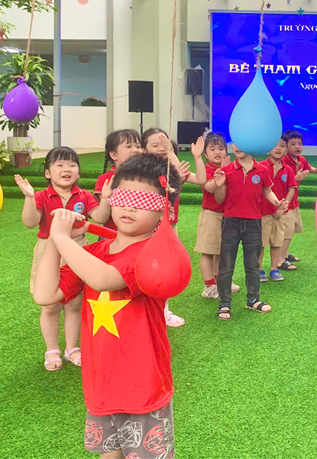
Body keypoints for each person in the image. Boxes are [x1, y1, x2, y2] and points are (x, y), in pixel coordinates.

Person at [32, 153, 182, 458]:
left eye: (143, 200)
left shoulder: (152, 256)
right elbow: (45, 295)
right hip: (101, 384)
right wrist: (55, 240)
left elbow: (102, 279)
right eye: (123, 196)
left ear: (164, 210)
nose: (129, 207)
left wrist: (63, 238)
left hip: (144, 387)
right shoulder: (96, 251)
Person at [15, 147, 111, 371]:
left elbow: (100, 217)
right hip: (49, 252)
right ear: (47, 173)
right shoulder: (41, 196)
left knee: (75, 304)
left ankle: (71, 349)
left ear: (78, 171)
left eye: (72, 165)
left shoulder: (84, 196)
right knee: (49, 305)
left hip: (78, 250)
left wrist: (106, 199)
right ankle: (52, 350)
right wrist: (29, 197)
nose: (66, 169)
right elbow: (30, 222)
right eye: (59, 165)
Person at [213, 144, 288, 320]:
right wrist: (218, 186)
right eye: (235, 143)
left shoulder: (262, 170)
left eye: (242, 142)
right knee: (226, 265)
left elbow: (267, 191)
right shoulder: (227, 170)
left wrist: (277, 203)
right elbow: (219, 199)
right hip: (230, 222)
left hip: (254, 222)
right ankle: (224, 302)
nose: (237, 147)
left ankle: (253, 299)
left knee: (253, 264)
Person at [141, 128, 206, 326]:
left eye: (165, 144)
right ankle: (145, 311)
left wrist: (196, 157)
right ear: (143, 150)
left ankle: (164, 310)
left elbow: (201, 180)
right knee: (145, 268)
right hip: (146, 228)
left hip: (169, 228)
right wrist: (172, 158)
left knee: (164, 268)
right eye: (155, 145)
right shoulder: (143, 171)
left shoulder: (172, 166)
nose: (162, 148)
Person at [193, 132, 239, 299]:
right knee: (208, 252)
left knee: (221, 252)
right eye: (212, 149)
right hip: (211, 215)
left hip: (228, 215)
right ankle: (209, 286)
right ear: (205, 154)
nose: (217, 152)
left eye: (221, 148)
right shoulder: (206, 170)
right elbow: (209, 187)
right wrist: (222, 171)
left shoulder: (231, 168)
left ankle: (220, 282)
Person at [281, 130, 317, 270]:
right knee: (287, 231)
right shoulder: (283, 161)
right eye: (293, 144)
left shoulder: (301, 160)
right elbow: (280, 182)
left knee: (292, 228)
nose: (297, 147)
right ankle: (280, 260)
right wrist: (296, 178)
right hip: (284, 202)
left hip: (294, 202)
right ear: (285, 146)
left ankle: (284, 253)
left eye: (300, 143)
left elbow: (308, 167)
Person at [259, 135, 299, 283]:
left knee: (277, 243)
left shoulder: (287, 169)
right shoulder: (260, 166)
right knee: (261, 244)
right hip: (263, 212)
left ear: (286, 149)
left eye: (282, 146)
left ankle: (274, 268)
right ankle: (259, 269)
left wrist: (283, 208)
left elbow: (292, 189)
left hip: (280, 214)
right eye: (275, 145)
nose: (278, 148)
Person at [94, 129, 141, 232]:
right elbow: (105, 214)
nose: (135, 150)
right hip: (112, 234)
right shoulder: (105, 180)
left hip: (140, 233)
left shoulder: (146, 177)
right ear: (114, 155)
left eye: (138, 146)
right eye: (128, 146)